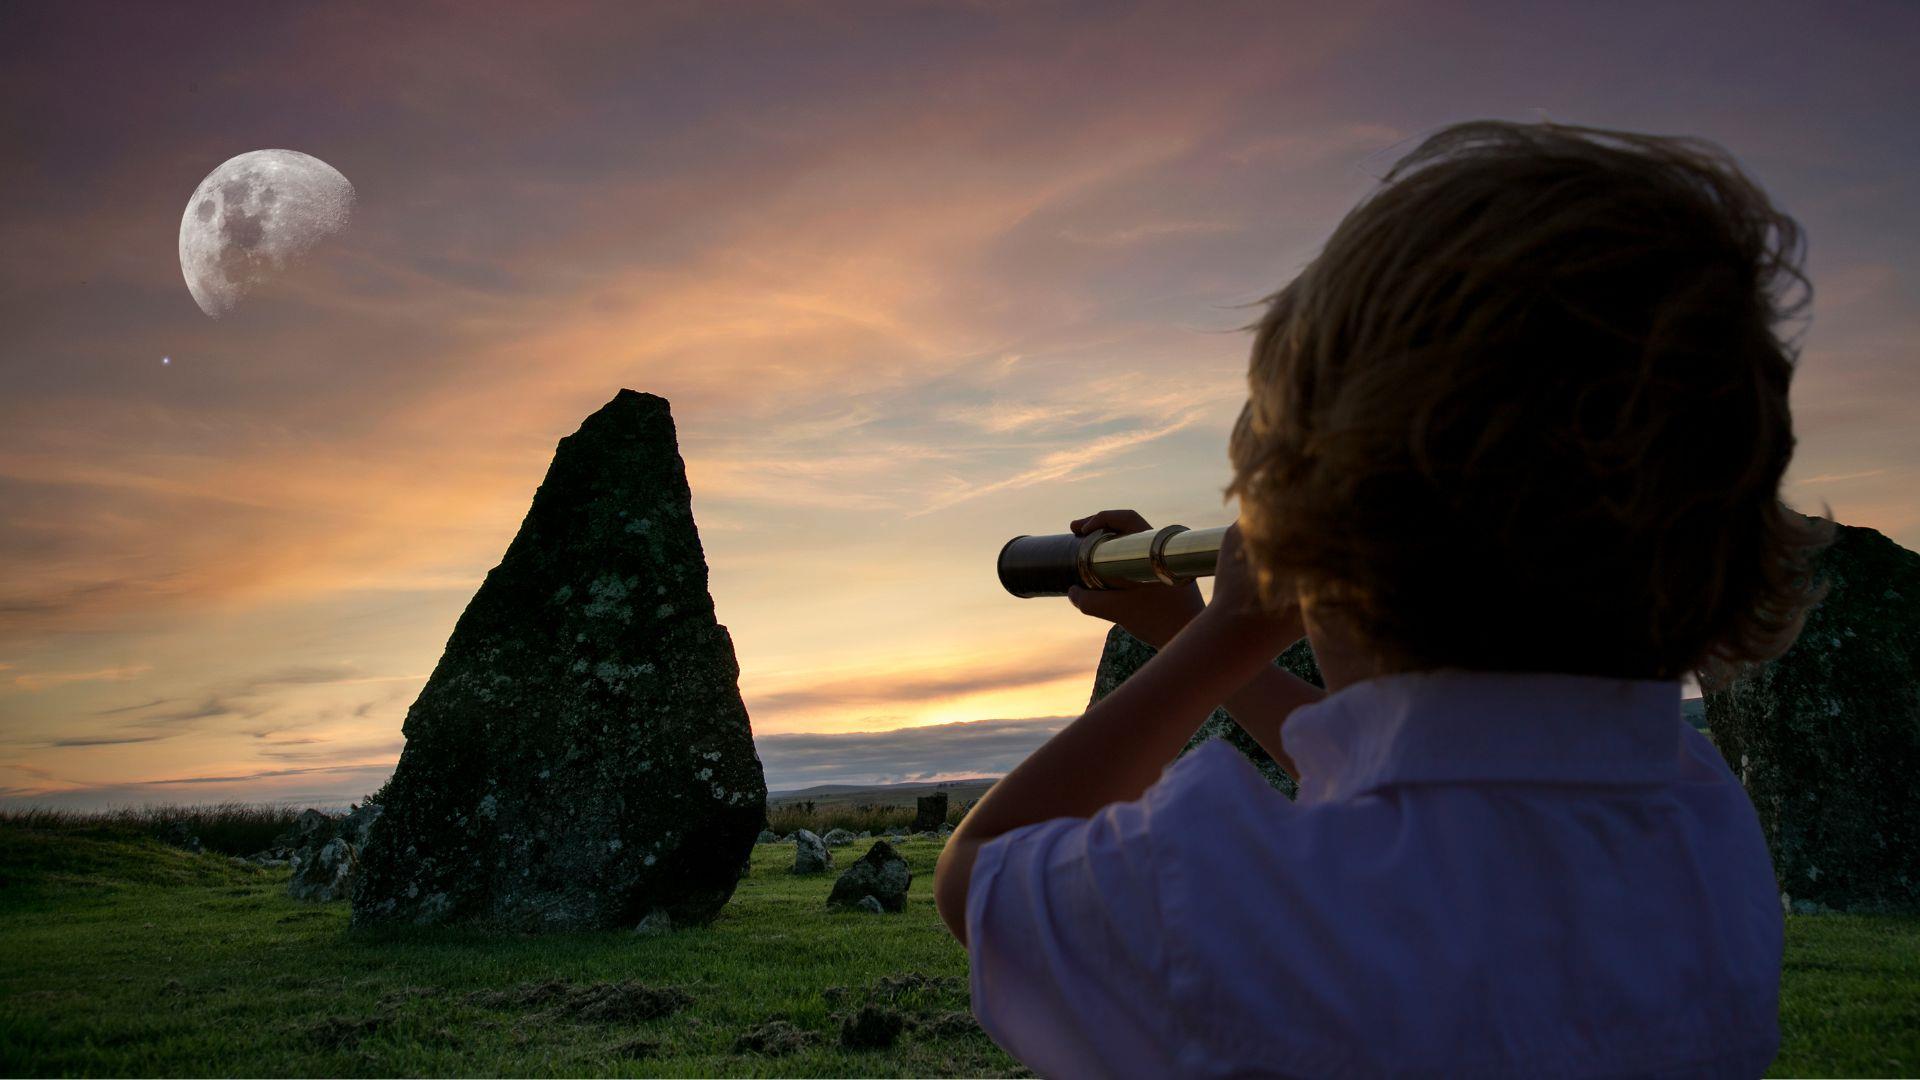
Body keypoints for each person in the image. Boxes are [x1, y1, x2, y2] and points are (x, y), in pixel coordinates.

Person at [932, 118, 1830, 1079]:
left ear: (1335, 537)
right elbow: (1429, 770)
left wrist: (1224, 634)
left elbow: (982, 872)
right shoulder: (1701, 826)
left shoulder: (1226, 905)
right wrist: (1191, 627)